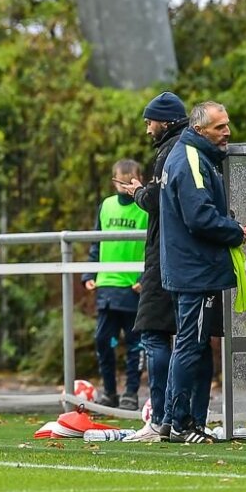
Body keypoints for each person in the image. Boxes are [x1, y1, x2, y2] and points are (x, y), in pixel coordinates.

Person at [159, 101, 246, 444]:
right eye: (219, 127)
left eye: (227, 125)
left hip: (192, 268)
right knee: (191, 345)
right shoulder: (191, 158)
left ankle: (173, 421)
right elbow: (199, 217)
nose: (227, 132)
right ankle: (182, 423)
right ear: (199, 130)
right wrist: (234, 230)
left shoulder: (195, 156)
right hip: (195, 271)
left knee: (192, 344)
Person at [119, 92, 189, 442]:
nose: (148, 129)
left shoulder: (170, 152)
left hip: (164, 256)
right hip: (175, 255)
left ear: (165, 121)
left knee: (154, 333)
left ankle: (162, 418)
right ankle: (179, 419)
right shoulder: (186, 148)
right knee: (185, 339)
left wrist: (138, 192)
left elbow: (159, 201)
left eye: (150, 122)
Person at [82, 158, 147, 410]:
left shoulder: (146, 207)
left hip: (132, 288)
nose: (125, 185)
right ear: (114, 181)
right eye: (121, 181)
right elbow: (96, 242)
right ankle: (109, 390)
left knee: (135, 344)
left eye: (130, 181)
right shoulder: (106, 206)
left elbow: (153, 247)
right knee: (103, 340)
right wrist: (89, 273)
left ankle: (131, 392)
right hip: (107, 286)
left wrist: (143, 277)